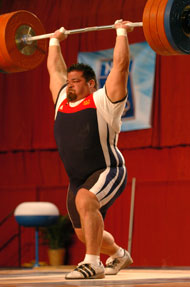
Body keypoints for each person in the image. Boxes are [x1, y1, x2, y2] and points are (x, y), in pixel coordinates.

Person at [47, 20, 133, 280]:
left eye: (76, 81)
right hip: (77, 179)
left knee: (86, 200)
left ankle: (93, 264)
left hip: (108, 169)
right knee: (85, 233)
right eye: (69, 81)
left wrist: (121, 32)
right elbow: (54, 69)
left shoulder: (104, 100)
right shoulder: (62, 100)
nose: (70, 85)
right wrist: (54, 40)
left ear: (92, 83)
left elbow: (120, 66)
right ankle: (118, 254)